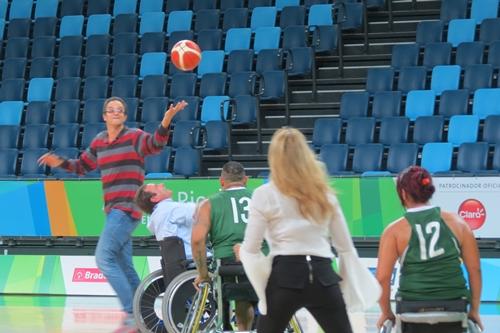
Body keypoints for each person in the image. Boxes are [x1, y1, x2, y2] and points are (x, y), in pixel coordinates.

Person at [38, 96, 187, 328]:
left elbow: (155, 144)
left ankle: (131, 312)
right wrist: (59, 162)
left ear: (125, 116)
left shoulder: (134, 137)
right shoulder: (99, 141)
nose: (115, 112)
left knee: (103, 258)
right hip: (112, 211)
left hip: (126, 208)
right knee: (124, 264)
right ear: (104, 116)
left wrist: (167, 119)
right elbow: (82, 166)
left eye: (120, 110)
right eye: (111, 110)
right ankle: (145, 313)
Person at [238, 127, 380, 333]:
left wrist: (263, 291)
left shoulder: (264, 194)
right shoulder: (324, 193)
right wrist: (344, 288)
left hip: (284, 275)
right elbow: (345, 247)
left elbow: (251, 249)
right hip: (323, 274)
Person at [376, 165, 483, 332]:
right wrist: (474, 310)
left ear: (403, 193)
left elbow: (383, 278)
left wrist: (386, 313)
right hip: (455, 307)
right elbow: (475, 269)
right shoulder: (459, 223)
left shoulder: (394, 231)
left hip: (411, 309)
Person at [191, 161, 257, 331]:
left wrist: (203, 274)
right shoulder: (259, 197)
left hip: (228, 263)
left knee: (233, 291)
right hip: (261, 260)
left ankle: (229, 325)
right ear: (246, 179)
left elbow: (197, 240)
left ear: (221, 181)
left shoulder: (208, 203)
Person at [134, 182, 195, 259]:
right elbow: (203, 211)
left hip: (176, 262)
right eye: (156, 186)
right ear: (154, 198)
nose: (162, 184)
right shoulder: (168, 208)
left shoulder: (156, 216)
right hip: (195, 259)